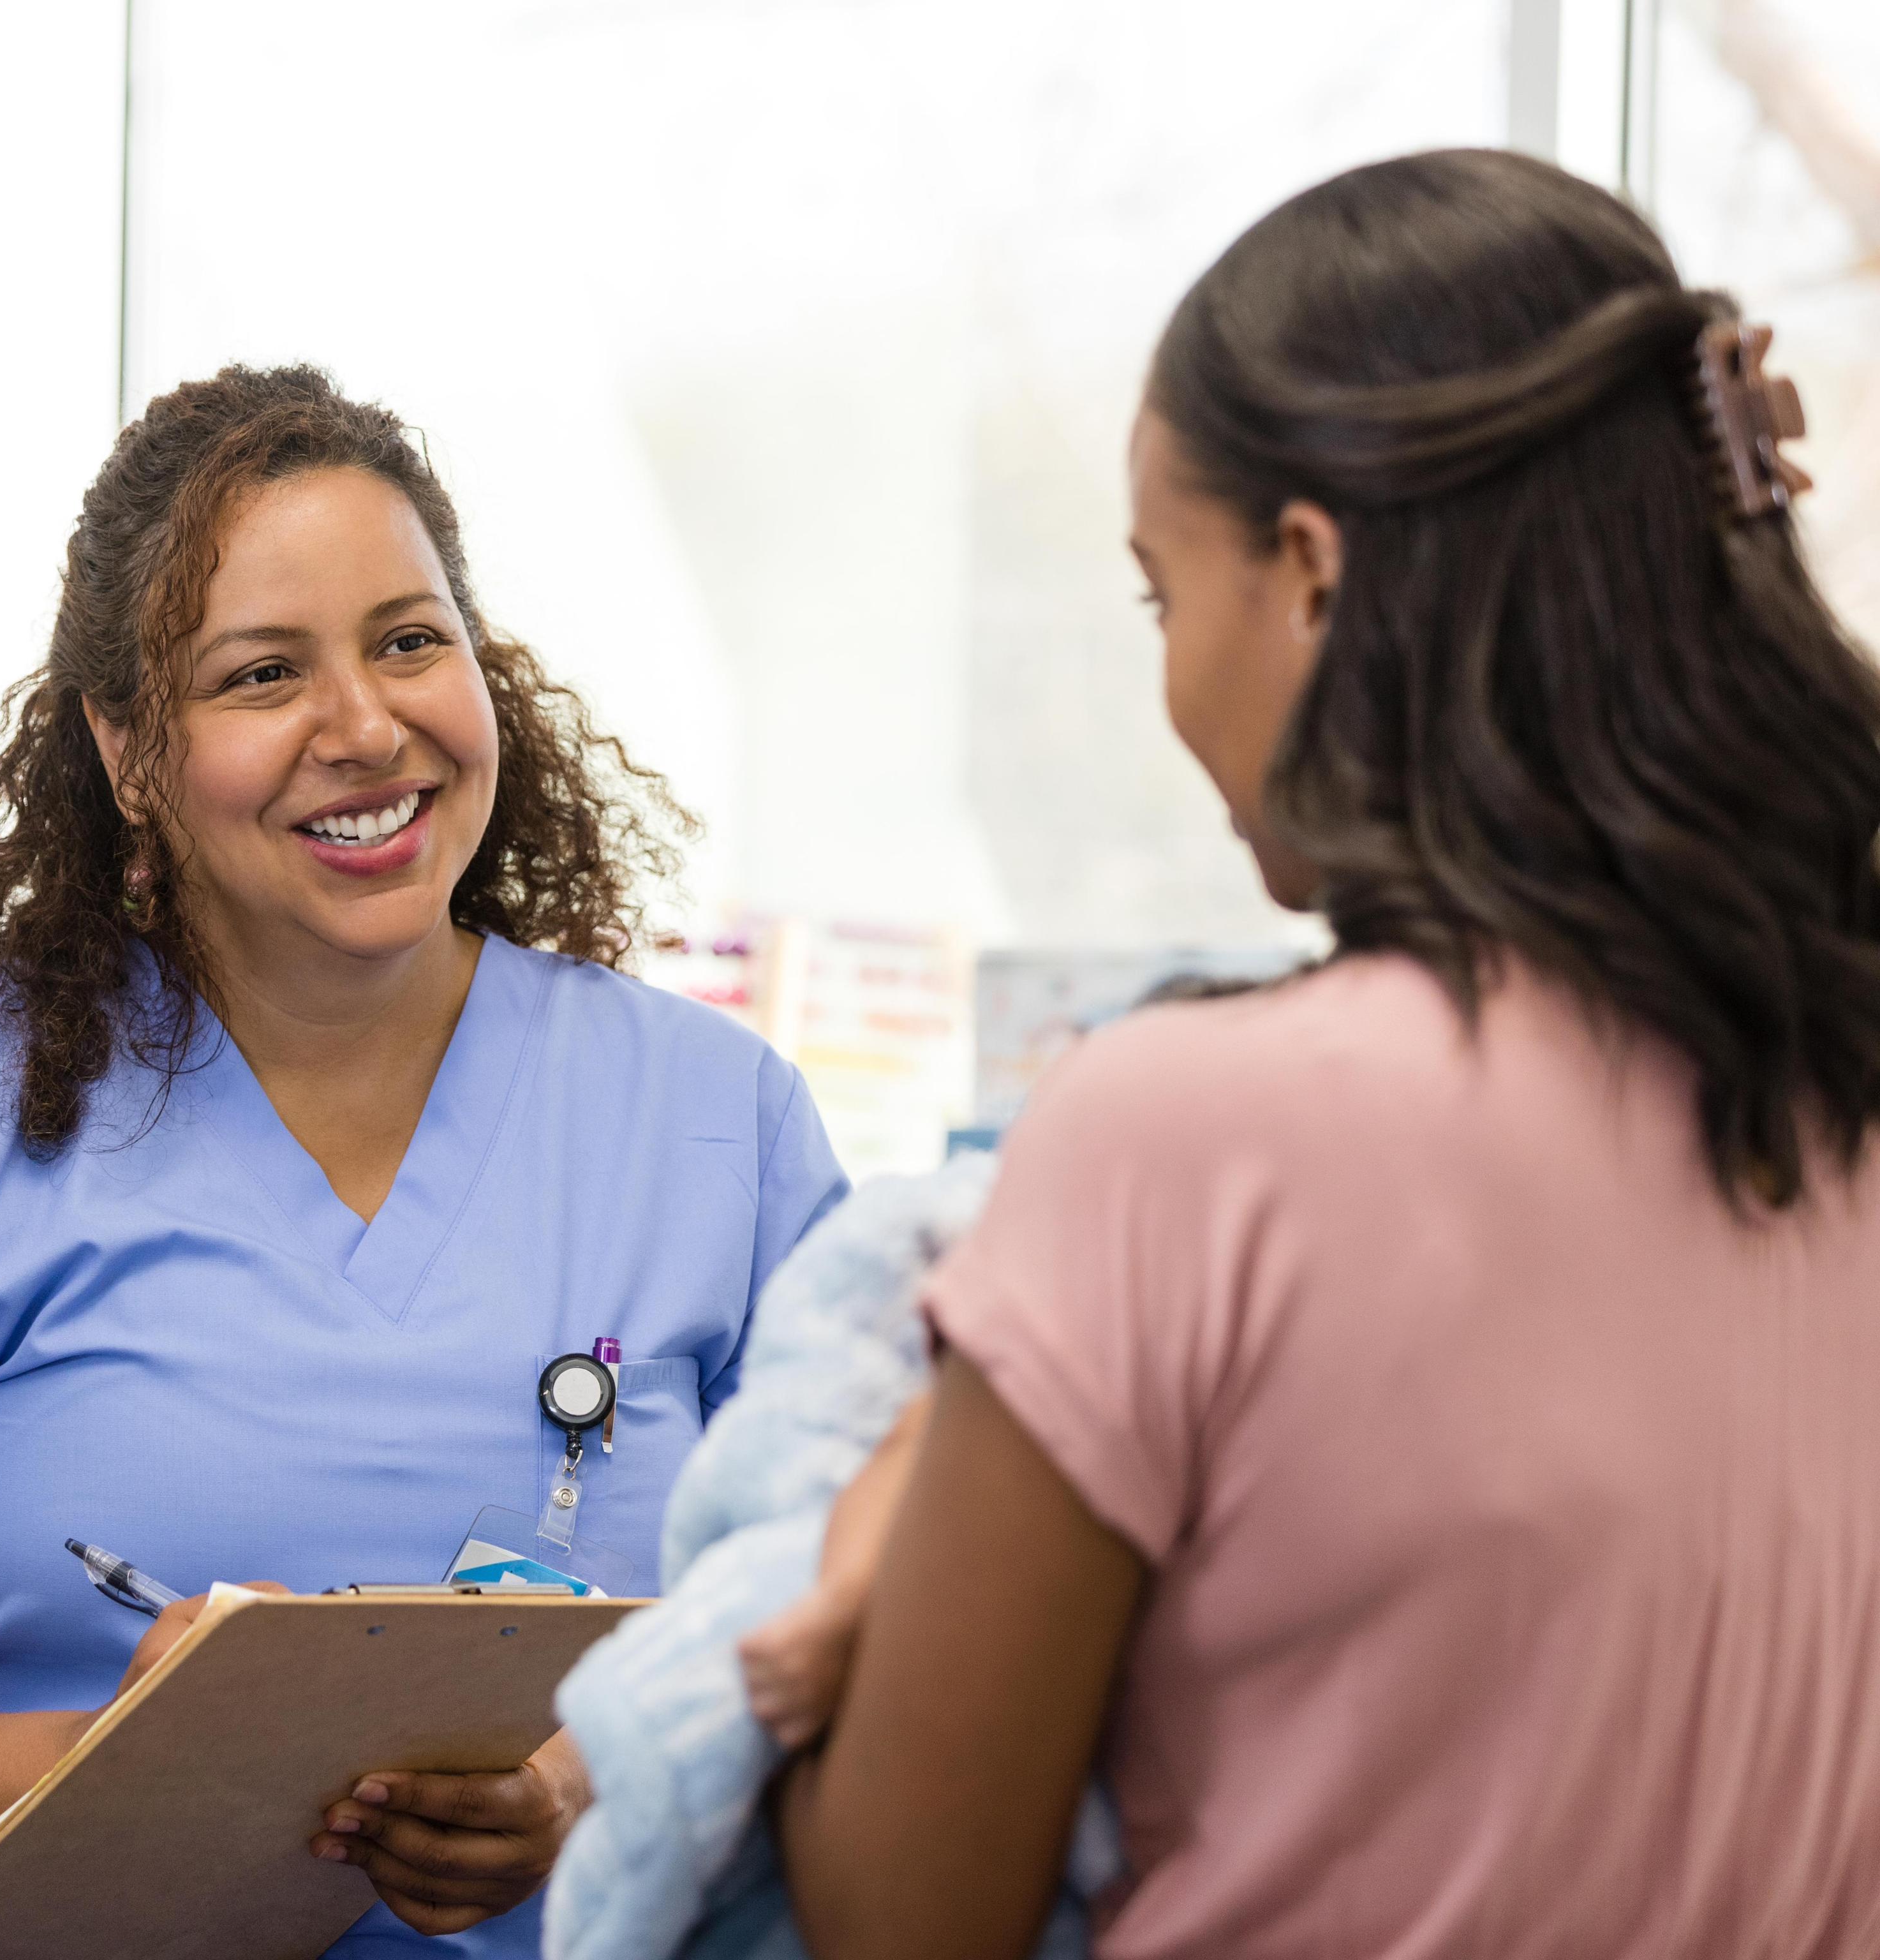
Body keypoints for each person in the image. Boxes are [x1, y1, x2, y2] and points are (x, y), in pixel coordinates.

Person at [759, 149, 1880, 1958]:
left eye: (1157, 593)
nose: (1171, 673)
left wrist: (874, 1514)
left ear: (1306, 573)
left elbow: (900, 1919)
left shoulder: (1190, 1139)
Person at [0, 364, 847, 1960]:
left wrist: (585, 1788)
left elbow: (847, 1617)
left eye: (412, 640)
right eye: (262, 673)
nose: (363, 726)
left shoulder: (717, 1121)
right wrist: (138, 1776)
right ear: (128, 753)